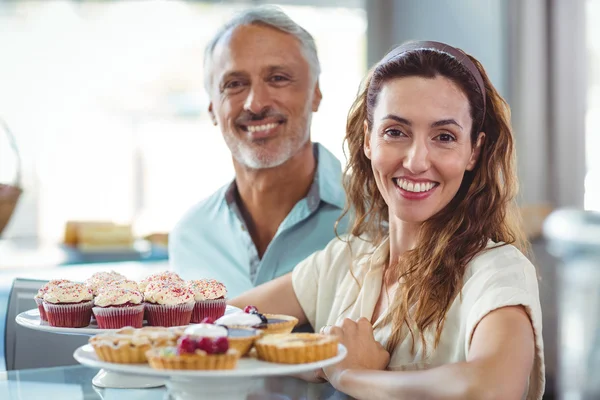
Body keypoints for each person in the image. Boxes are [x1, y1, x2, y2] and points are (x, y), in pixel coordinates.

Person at [231, 41, 545, 399]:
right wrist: (306, 357)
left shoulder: (496, 271)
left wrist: (348, 374)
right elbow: (227, 323)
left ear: (474, 150)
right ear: (368, 140)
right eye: (396, 132)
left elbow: (490, 390)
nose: (415, 161)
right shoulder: (344, 261)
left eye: (444, 137)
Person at [169, 6, 347, 297]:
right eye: (235, 84)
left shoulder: (377, 220)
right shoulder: (190, 237)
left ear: (315, 92)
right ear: (213, 107)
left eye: (277, 78)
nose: (255, 103)